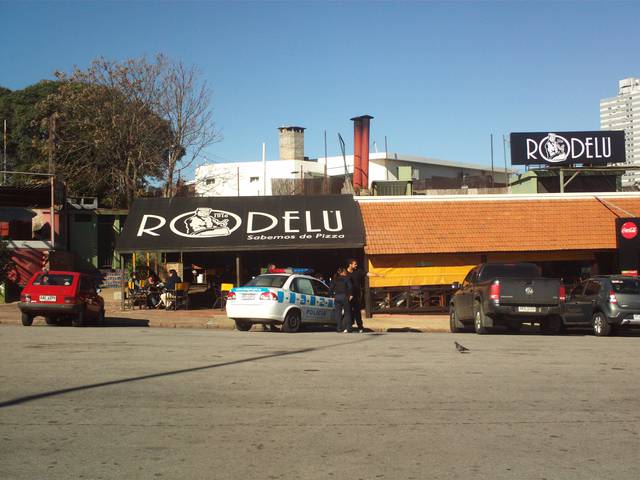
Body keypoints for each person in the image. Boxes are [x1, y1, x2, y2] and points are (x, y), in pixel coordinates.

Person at [330, 267, 353, 333]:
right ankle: (348, 328)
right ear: (342, 272)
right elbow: (350, 287)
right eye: (345, 271)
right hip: (345, 296)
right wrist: (351, 295)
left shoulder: (334, 279)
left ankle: (339, 328)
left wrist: (332, 296)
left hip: (337, 297)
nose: (346, 272)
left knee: (338, 313)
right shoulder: (347, 279)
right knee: (347, 313)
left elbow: (331, 288)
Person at [347, 258, 365, 333]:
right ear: (350, 264)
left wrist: (377, 275)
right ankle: (349, 326)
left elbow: (366, 273)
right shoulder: (345, 273)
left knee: (357, 311)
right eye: (355, 264)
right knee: (348, 311)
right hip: (347, 296)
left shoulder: (358, 272)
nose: (356, 265)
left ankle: (360, 327)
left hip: (356, 295)